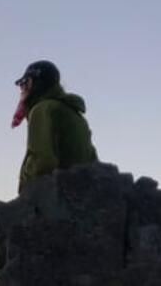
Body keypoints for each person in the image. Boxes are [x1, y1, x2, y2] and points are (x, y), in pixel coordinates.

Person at [11, 60, 98, 190]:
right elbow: (93, 160)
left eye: (25, 83)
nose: (21, 89)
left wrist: (25, 186)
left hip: (59, 195)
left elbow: (43, 161)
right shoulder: (76, 114)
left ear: (35, 84)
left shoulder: (42, 109)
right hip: (83, 195)